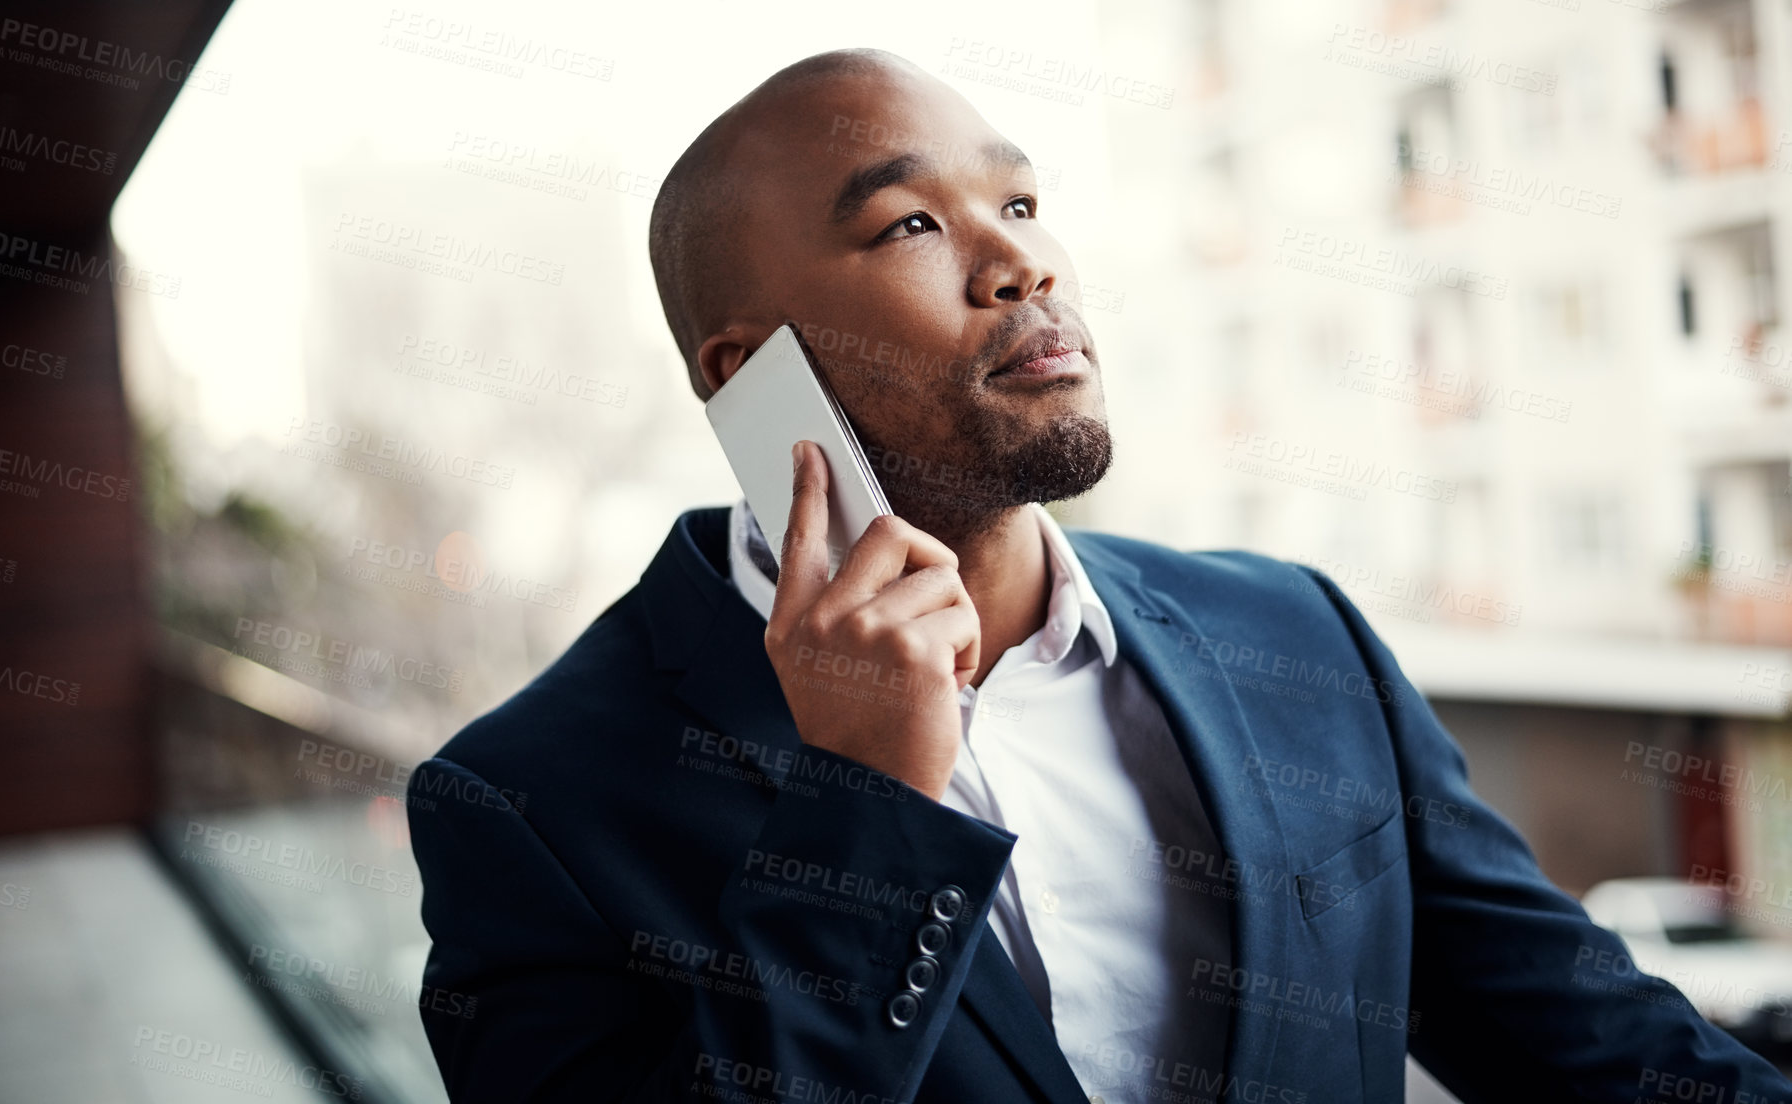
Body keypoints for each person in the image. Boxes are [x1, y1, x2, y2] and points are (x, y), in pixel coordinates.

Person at [406, 48, 1792, 1104]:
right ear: (749, 375)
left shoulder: (1297, 640)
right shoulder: (526, 805)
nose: (1019, 260)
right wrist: (865, 809)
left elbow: (1597, 1046)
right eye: (908, 226)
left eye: (1015, 200)